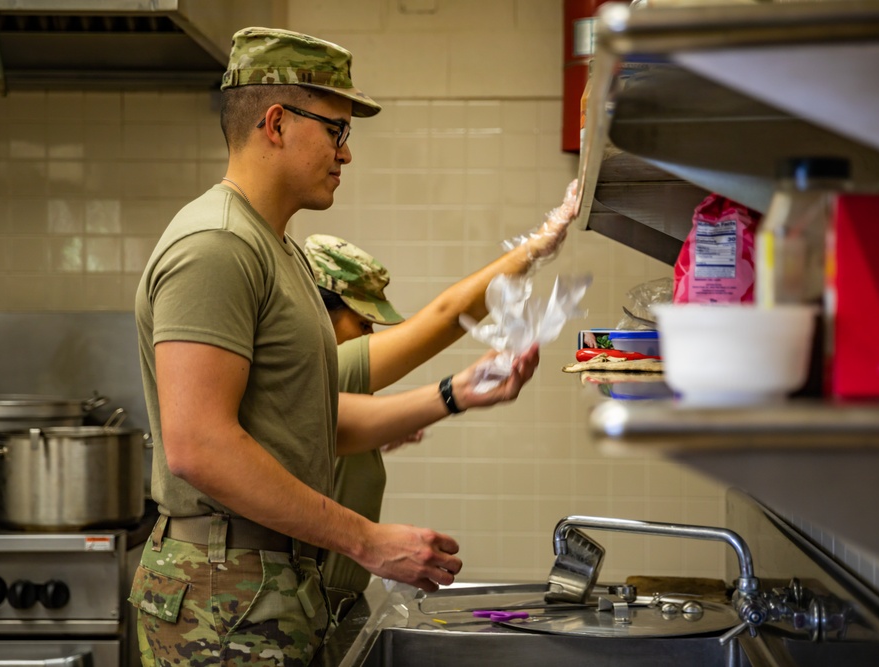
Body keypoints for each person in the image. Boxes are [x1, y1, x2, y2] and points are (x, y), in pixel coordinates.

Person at [128, 26, 541, 667]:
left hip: (266, 585)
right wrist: (366, 539)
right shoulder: (215, 245)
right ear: (276, 123)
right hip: (224, 595)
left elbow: (311, 419)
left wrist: (455, 394)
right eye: (337, 130)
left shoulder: (276, 248)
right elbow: (198, 445)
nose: (346, 153)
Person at [303, 198, 574, 618]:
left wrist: (380, 428)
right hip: (311, 610)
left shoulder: (312, 388)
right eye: (362, 323)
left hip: (328, 610)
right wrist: (537, 245)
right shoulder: (327, 363)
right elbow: (449, 315)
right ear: (321, 314)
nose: (370, 336)